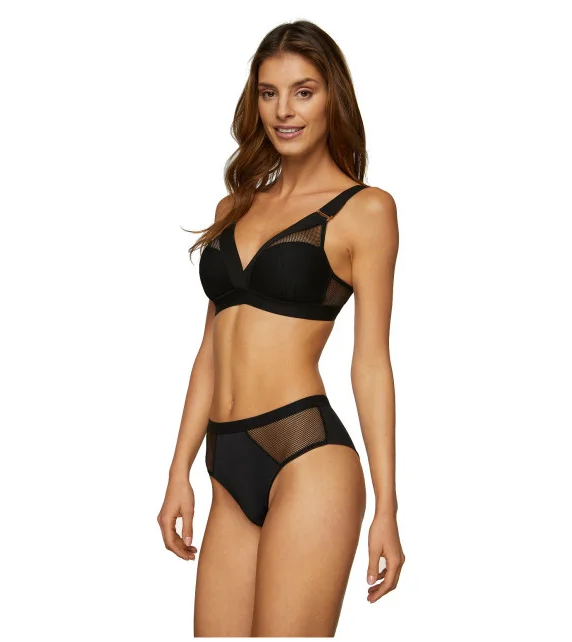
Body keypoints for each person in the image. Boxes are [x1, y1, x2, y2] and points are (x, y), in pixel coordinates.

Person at [157, 20, 404, 637]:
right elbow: (211, 351)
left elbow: (371, 362)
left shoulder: (366, 210)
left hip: (307, 455)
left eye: (303, 91)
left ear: (332, 98)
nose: (284, 110)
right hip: (226, 460)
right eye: (269, 93)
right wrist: (178, 470)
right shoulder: (234, 206)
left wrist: (387, 506)